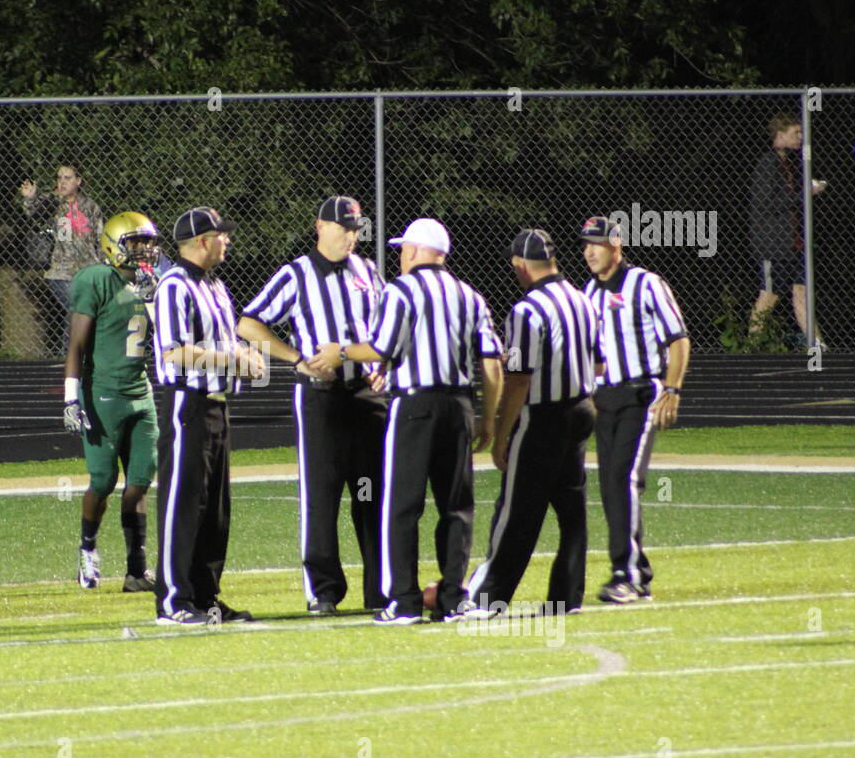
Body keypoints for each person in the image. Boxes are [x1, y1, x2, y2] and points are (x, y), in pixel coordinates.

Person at [308, 218, 504, 625]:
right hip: (459, 405)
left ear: (416, 251)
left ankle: (404, 600)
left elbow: (380, 347)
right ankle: (453, 598)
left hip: (414, 406)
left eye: (403, 250)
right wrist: (488, 416)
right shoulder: (470, 296)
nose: (400, 257)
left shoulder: (401, 291)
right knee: (457, 507)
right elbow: (492, 363)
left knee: (401, 506)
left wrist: (340, 351)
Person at [238, 196, 387, 616]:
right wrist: (296, 358)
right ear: (320, 226)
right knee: (322, 495)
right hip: (321, 398)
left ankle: (380, 589)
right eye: (344, 228)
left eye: (357, 228)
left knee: (371, 492)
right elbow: (248, 322)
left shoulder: (367, 270)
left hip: (366, 397)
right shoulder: (297, 274)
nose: (351, 236)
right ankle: (323, 590)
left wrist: (378, 364)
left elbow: (381, 329)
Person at [464, 229, 602, 618]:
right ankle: (567, 597)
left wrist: (501, 434)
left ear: (521, 266)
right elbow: (599, 362)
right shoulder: (582, 299)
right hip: (581, 408)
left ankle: (488, 599)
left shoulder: (527, 311)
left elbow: (520, 379)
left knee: (517, 511)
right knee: (572, 510)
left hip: (544, 417)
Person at [151, 207, 263, 626]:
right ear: (202, 240)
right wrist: (234, 360)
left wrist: (245, 355)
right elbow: (173, 353)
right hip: (188, 404)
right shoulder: (174, 286)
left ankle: (205, 595)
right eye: (222, 235)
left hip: (218, 405)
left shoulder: (215, 286)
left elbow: (228, 341)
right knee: (183, 503)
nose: (228, 240)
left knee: (215, 507)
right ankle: (173, 601)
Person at [579, 216, 690, 604]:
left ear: (616, 245)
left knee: (624, 479)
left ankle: (625, 575)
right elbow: (592, 355)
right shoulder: (588, 294)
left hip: (641, 393)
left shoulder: (645, 283)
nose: (590, 251)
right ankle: (635, 570)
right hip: (606, 397)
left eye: (597, 243)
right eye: (585, 244)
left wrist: (672, 388)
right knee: (611, 485)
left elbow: (678, 338)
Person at [63, 211, 162, 593]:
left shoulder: (153, 282)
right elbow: (76, 345)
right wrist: (72, 399)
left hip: (141, 393)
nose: (144, 251)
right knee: (103, 482)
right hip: (103, 394)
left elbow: (167, 335)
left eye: (147, 243)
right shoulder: (96, 279)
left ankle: (136, 570)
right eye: (135, 243)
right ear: (113, 245)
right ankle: (88, 549)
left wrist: (153, 299)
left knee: (139, 481)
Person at [747, 114, 826, 343]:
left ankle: (817, 345)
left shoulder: (786, 162)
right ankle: (751, 348)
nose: (800, 138)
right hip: (774, 244)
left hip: (793, 242)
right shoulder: (768, 163)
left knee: (801, 291)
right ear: (779, 135)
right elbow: (766, 203)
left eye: (801, 133)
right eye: (795, 133)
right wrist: (805, 195)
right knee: (769, 295)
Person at [18, 163, 103, 353]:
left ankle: (78, 355)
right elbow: (35, 211)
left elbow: (100, 238)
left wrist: (103, 267)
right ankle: (70, 356)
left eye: (68, 178)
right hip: (62, 272)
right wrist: (31, 198)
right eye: (59, 178)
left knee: (82, 312)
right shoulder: (53, 202)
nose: (62, 182)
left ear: (78, 181)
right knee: (77, 309)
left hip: (87, 270)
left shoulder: (90, 206)